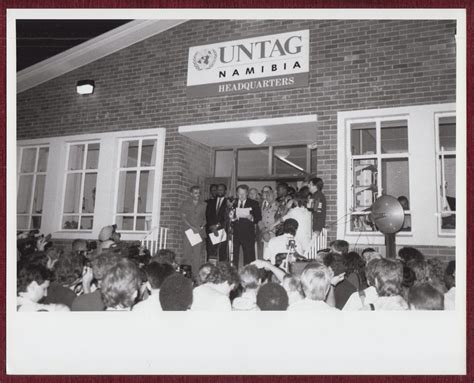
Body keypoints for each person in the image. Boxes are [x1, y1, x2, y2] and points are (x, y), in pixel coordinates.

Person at [231, 184, 261, 267]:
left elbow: (259, 217)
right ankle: (234, 274)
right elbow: (228, 217)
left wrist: (252, 218)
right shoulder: (233, 203)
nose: (241, 196)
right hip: (235, 233)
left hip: (248, 234)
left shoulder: (254, 203)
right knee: (234, 256)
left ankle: (248, 276)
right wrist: (232, 218)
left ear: (247, 193)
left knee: (249, 257)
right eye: (240, 194)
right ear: (237, 193)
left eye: (244, 194)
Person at [180, 185, 206, 279]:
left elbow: (205, 218)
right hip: (188, 232)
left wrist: (201, 227)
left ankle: (195, 276)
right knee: (187, 254)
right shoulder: (185, 204)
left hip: (198, 232)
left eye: (199, 193)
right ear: (191, 194)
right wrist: (192, 227)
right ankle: (186, 275)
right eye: (195, 193)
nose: (197, 195)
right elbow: (183, 217)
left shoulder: (203, 204)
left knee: (197, 255)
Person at [205, 183, 229, 262]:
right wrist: (212, 227)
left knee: (222, 253)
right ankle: (211, 271)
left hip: (222, 230)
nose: (219, 191)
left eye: (221, 189)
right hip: (211, 230)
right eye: (218, 189)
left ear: (225, 191)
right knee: (211, 253)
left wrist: (217, 226)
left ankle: (221, 272)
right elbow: (208, 215)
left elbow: (226, 217)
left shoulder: (228, 202)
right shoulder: (211, 202)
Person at [258, 186, 279, 260]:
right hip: (265, 234)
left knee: (274, 255)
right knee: (266, 255)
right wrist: (263, 230)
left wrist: (271, 230)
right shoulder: (265, 207)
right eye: (266, 196)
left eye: (270, 195)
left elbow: (279, 220)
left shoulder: (278, 206)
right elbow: (261, 220)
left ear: (275, 197)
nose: (267, 197)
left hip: (274, 233)